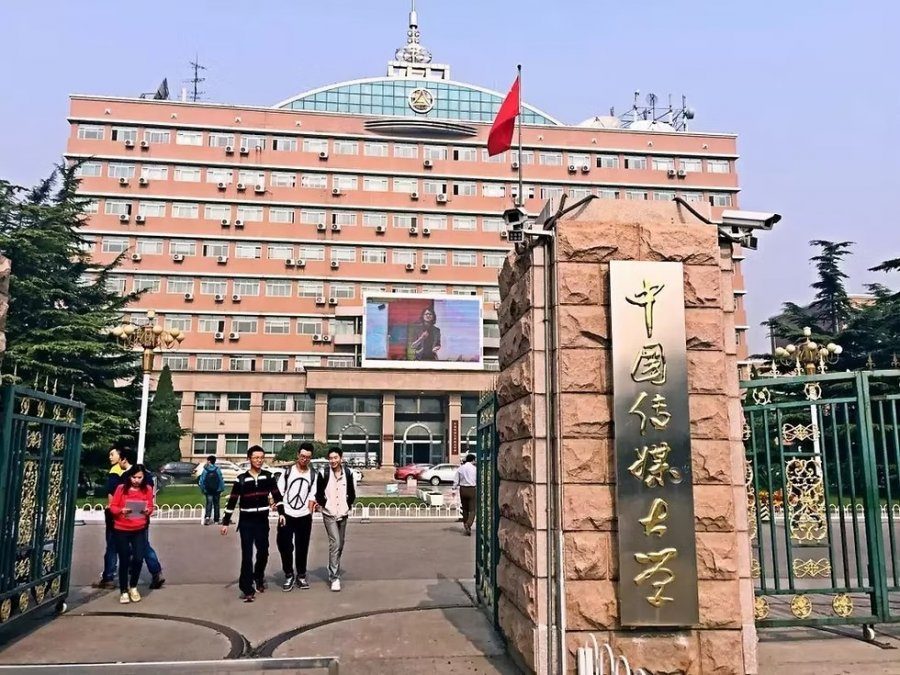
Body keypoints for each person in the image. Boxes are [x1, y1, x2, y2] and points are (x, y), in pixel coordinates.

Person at [221, 446, 284, 602]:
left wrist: (282, 513)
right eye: (256, 458)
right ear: (249, 459)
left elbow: (277, 496)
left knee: (263, 552)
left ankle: (258, 577)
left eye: (261, 457)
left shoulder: (268, 477)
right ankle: (247, 588)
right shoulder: (241, 479)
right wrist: (225, 523)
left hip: (262, 521)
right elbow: (233, 501)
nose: (259, 460)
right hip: (246, 522)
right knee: (247, 555)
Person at [118, 448, 166, 589]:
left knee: (140, 546)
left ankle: (150, 571)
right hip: (137, 517)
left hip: (132, 519)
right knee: (141, 545)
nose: (137, 480)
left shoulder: (128, 476)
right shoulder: (146, 475)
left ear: (124, 460)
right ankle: (148, 571)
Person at [108, 464, 155, 603]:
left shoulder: (147, 489)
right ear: (129, 477)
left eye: (139, 477)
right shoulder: (121, 489)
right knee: (124, 559)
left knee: (139, 558)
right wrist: (121, 510)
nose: (136, 480)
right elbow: (113, 507)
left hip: (139, 528)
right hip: (121, 528)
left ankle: (133, 586)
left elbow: (150, 506)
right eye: (134, 477)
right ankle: (123, 590)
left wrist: (147, 511)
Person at [276, 442, 318, 592]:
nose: (304, 459)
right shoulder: (288, 472)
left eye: (307, 457)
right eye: (302, 456)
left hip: (304, 516)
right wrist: (281, 512)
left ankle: (301, 575)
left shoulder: (313, 475)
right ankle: (288, 574)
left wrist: (309, 513)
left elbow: (312, 495)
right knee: (284, 545)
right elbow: (278, 493)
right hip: (286, 515)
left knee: (302, 547)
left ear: (311, 458)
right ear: (297, 455)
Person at [314, 446, 356, 592]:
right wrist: (326, 505)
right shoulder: (323, 473)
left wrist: (347, 505)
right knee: (335, 543)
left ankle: (332, 565)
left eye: (335, 458)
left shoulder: (348, 473)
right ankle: (334, 577)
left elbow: (352, 493)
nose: (333, 461)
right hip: (329, 514)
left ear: (341, 458)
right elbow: (319, 494)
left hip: (342, 513)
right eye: (330, 458)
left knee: (341, 544)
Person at [92, 446, 127, 589]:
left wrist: (111, 507)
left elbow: (112, 491)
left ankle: (108, 577)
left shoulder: (115, 471)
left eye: (112, 454)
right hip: (128, 511)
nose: (110, 457)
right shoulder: (130, 471)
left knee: (112, 545)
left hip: (116, 511)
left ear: (120, 456)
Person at [454, 453, 477, 536]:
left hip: (463, 489)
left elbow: (456, 480)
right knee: (473, 509)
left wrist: (454, 488)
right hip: (472, 489)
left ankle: (466, 527)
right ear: (473, 460)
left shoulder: (460, 468)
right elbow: (477, 479)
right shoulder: (474, 469)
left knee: (465, 509)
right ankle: (468, 524)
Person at [198, 455, 225, 525]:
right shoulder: (217, 469)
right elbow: (221, 480)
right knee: (216, 504)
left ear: (209, 461)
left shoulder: (205, 470)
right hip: (217, 490)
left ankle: (207, 518)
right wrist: (222, 489)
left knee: (208, 503)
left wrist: (203, 489)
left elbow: (202, 480)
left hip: (208, 490)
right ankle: (216, 520)